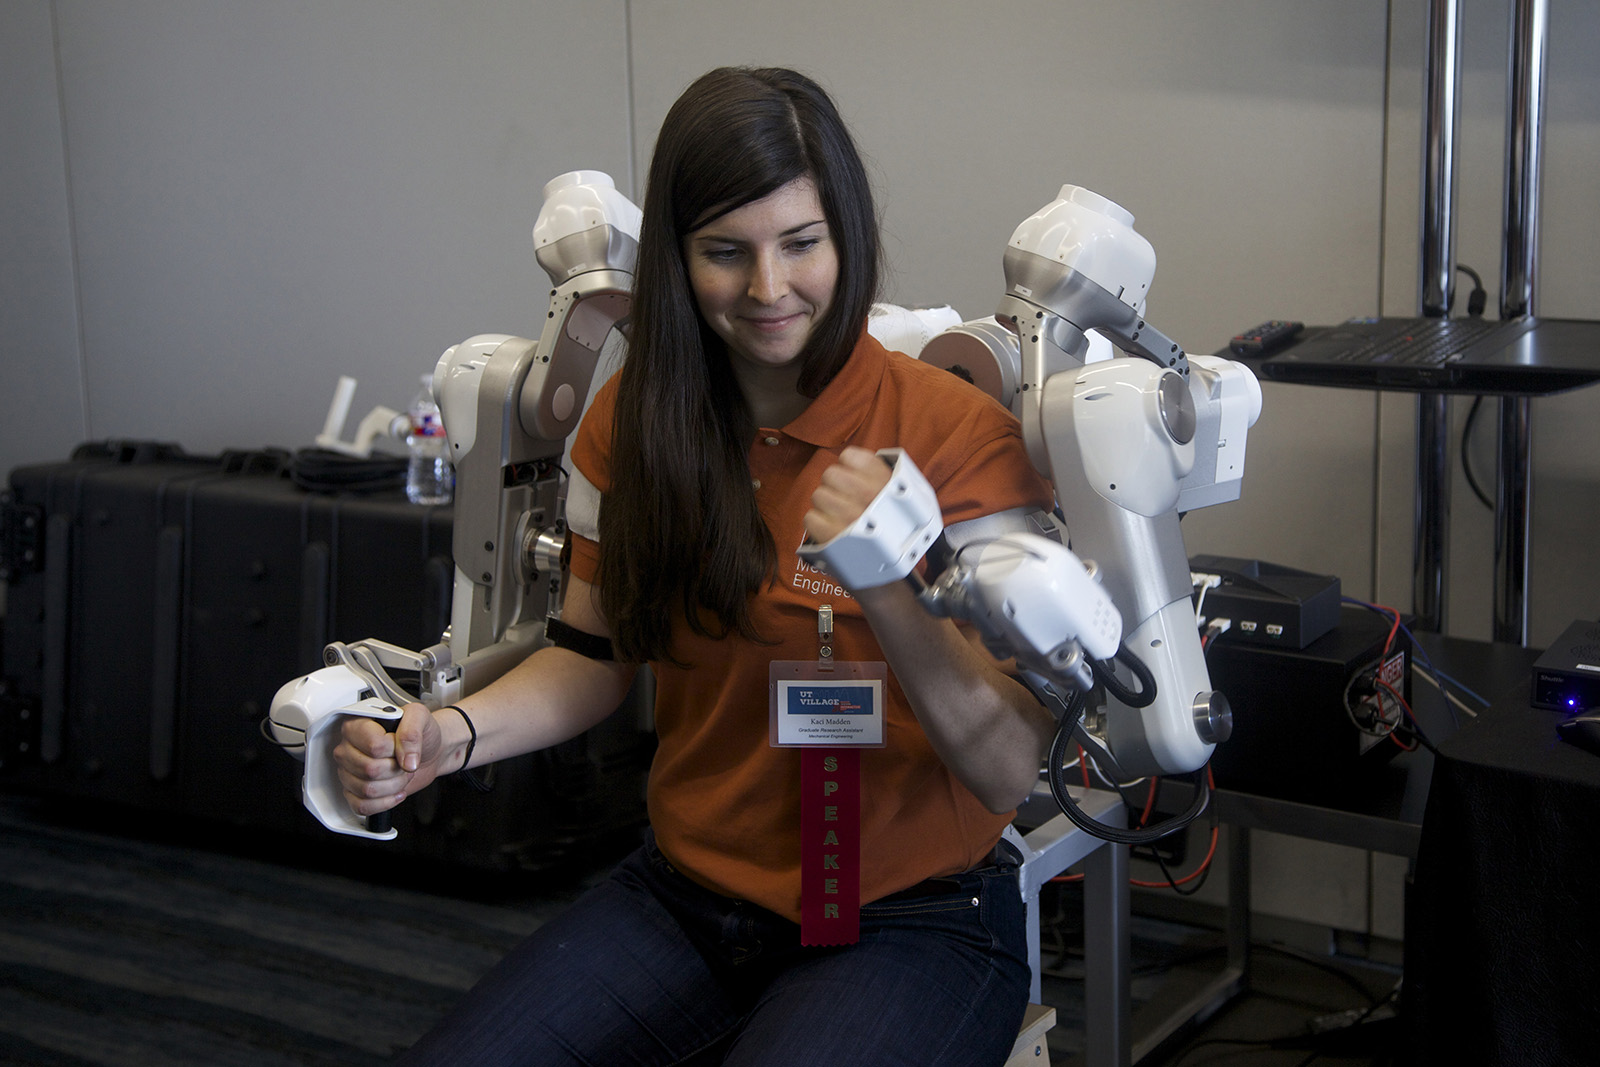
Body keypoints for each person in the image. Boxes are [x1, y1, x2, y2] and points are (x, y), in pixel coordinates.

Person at [336, 65, 1059, 1066]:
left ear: (845, 237)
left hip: (912, 915)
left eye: (800, 244)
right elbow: (593, 656)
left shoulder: (954, 436)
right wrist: (445, 736)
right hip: (685, 895)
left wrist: (890, 585)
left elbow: (1010, 763)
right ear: (677, 261)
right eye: (726, 253)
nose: (769, 289)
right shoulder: (638, 423)